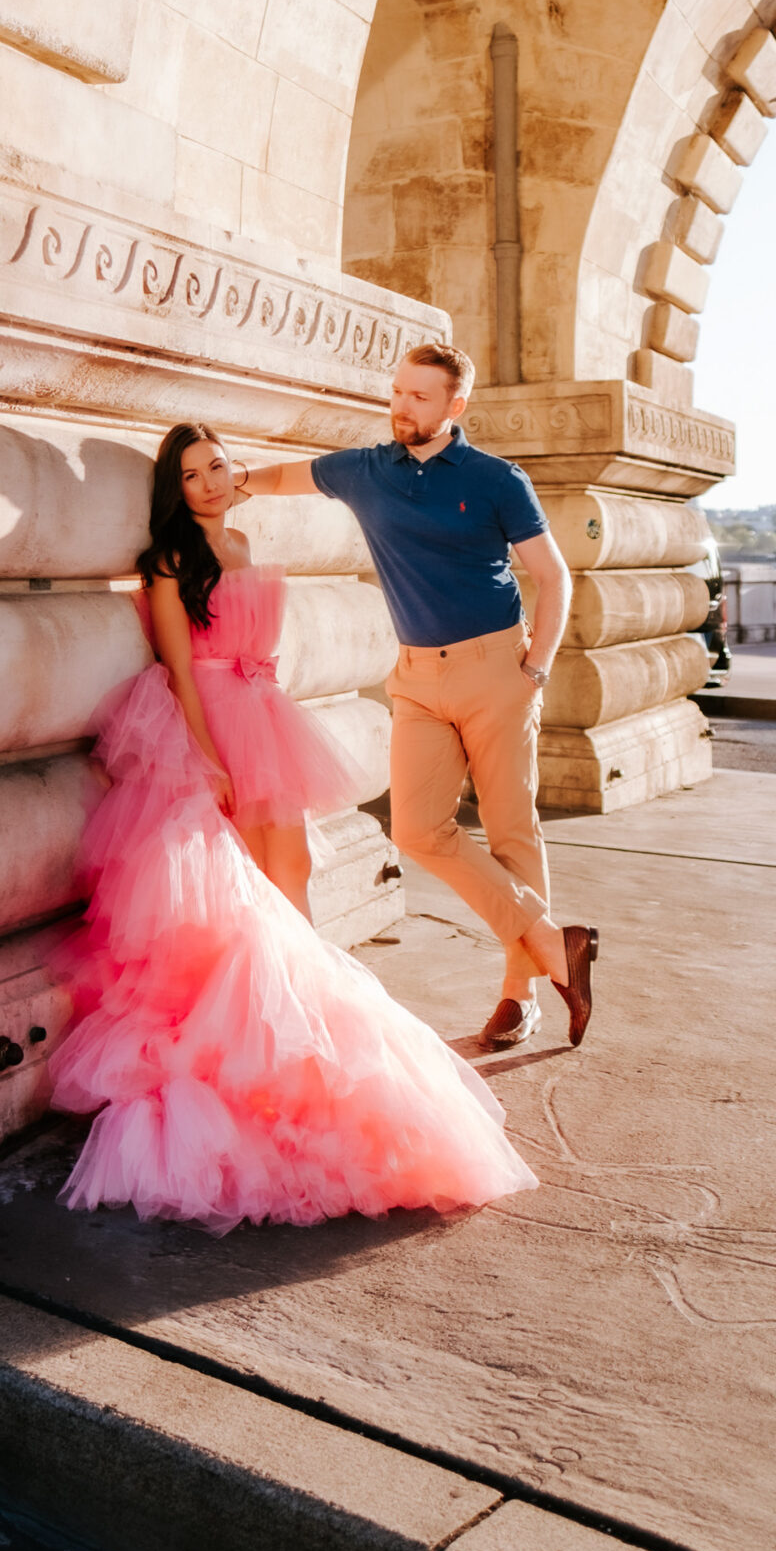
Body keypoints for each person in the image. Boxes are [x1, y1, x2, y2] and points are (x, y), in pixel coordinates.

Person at [48, 422, 538, 1233]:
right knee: (241, 894)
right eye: (191, 473)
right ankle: (251, 1043)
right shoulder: (171, 559)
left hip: (265, 712)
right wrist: (208, 761)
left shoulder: (239, 539)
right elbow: (175, 669)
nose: (208, 482)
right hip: (213, 728)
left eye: (217, 466)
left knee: (296, 871)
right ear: (174, 487)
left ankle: (306, 1014)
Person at [236, 343, 597, 1052]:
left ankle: (517, 995)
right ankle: (559, 948)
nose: (402, 407)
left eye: (420, 397)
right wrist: (231, 481)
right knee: (414, 830)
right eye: (398, 392)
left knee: (509, 832)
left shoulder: (496, 480)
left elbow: (553, 579)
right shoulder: (366, 471)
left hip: (497, 669)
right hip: (417, 681)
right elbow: (289, 476)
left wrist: (535, 670)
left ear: (454, 407)